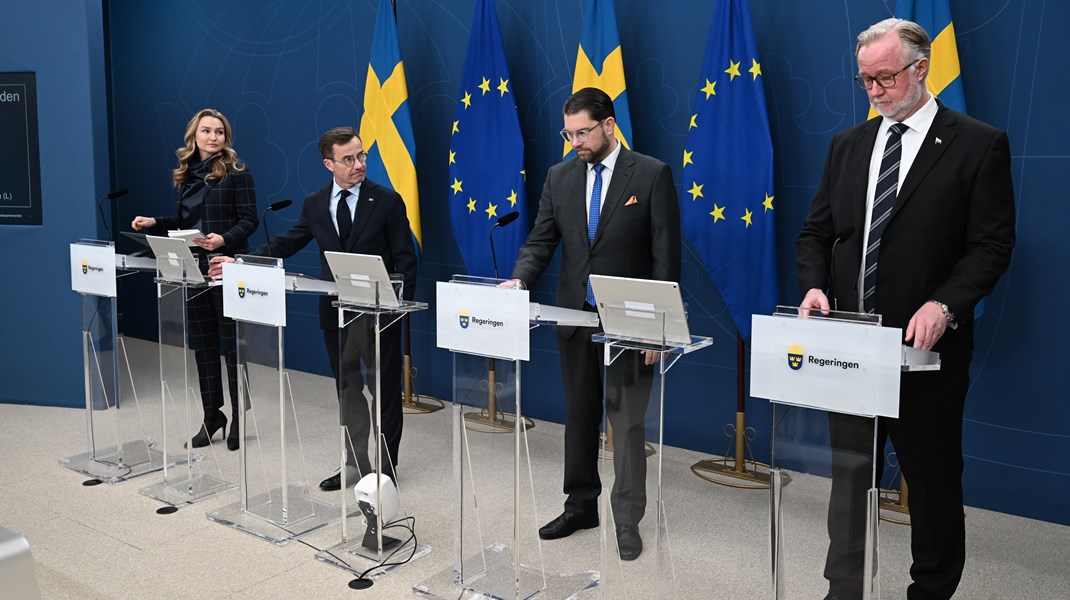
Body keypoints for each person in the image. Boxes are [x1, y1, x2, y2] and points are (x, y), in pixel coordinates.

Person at [796, 19, 1016, 600]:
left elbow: (991, 245)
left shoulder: (976, 142)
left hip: (925, 353)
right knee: (849, 479)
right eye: (864, 79)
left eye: (884, 77)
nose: (873, 90)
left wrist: (947, 304)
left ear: (921, 69)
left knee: (932, 480)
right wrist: (815, 286)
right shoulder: (848, 145)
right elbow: (817, 234)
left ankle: (932, 590)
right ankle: (843, 588)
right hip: (849, 346)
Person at [504, 87, 681, 561]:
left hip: (631, 323)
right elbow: (541, 240)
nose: (575, 141)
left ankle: (627, 520)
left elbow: (666, 257)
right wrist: (520, 280)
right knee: (579, 418)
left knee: (625, 424)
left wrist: (658, 327)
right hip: (573, 317)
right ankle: (580, 506)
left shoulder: (650, 173)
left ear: (608, 125)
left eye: (583, 132)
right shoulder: (560, 176)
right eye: (569, 132)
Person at [209, 127, 416, 491]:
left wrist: (395, 306)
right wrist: (239, 260)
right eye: (348, 159)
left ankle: (385, 469)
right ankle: (355, 463)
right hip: (335, 314)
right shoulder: (316, 202)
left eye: (361, 155)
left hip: (378, 315)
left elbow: (405, 259)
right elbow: (288, 242)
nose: (358, 164)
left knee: (383, 393)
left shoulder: (386, 200)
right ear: (329, 164)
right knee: (348, 390)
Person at [132, 108, 258, 451]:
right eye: (206, 131)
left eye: (219, 131)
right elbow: (182, 221)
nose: (213, 137)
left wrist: (223, 240)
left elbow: (249, 221)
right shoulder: (185, 174)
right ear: (194, 136)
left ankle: (238, 416)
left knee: (232, 346)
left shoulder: (237, 172)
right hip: (192, 268)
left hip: (224, 266)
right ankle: (212, 415)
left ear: (226, 137)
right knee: (204, 345)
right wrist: (153, 223)